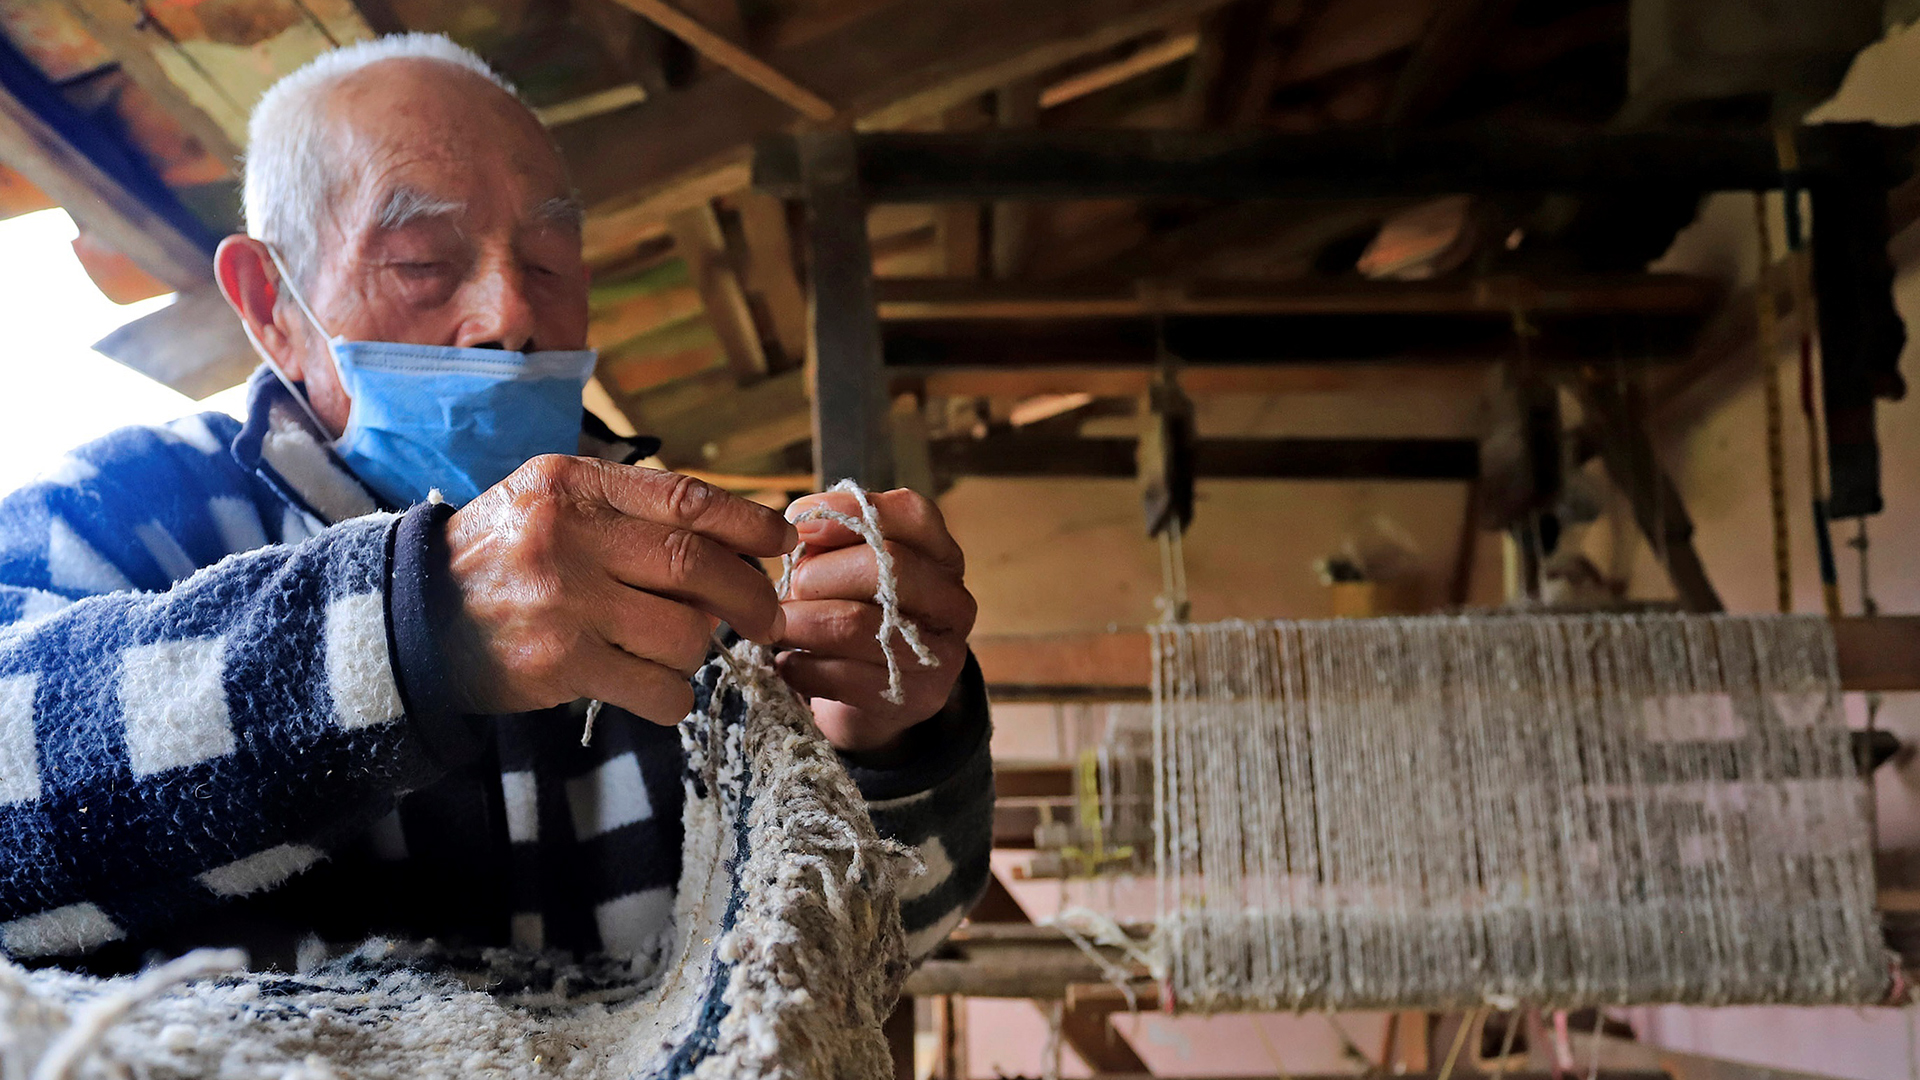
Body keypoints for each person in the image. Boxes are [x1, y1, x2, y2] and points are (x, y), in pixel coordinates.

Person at [0, 34, 991, 970]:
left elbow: (863, 957)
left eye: (552, 262)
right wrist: (409, 627)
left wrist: (890, 749)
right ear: (270, 306)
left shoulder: (696, 579)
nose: (513, 311)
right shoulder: (117, 513)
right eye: (423, 261)